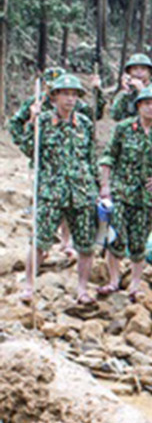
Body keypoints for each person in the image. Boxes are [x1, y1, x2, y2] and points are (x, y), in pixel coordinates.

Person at [11, 73, 99, 303]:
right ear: (54, 97)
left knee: (86, 245)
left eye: (74, 95)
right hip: (51, 192)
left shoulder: (85, 124)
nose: (70, 99)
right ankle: (29, 286)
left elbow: (90, 158)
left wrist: (97, 189)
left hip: (81, 192)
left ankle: (82, 289)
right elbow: (29, 148)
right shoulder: (43, 122)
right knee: (40, 241)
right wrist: (32, 121)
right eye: (65, 94)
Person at [98, 86, 152, 299]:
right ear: (139, 106)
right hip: (121, 192)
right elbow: (109, 156)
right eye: (147, 104)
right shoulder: (124, 128)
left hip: (145, 197)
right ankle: (113, 281)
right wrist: (105, 186)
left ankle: (135, 283)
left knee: (139, 240)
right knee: (115, 237)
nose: (151, 108)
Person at [108, 54, 152, 124]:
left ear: (150, 73)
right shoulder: (126, 94)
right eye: (135, 69)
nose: (139, 72)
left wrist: (143, 92)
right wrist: (126, 92)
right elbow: (115, 115)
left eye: (143, 69)